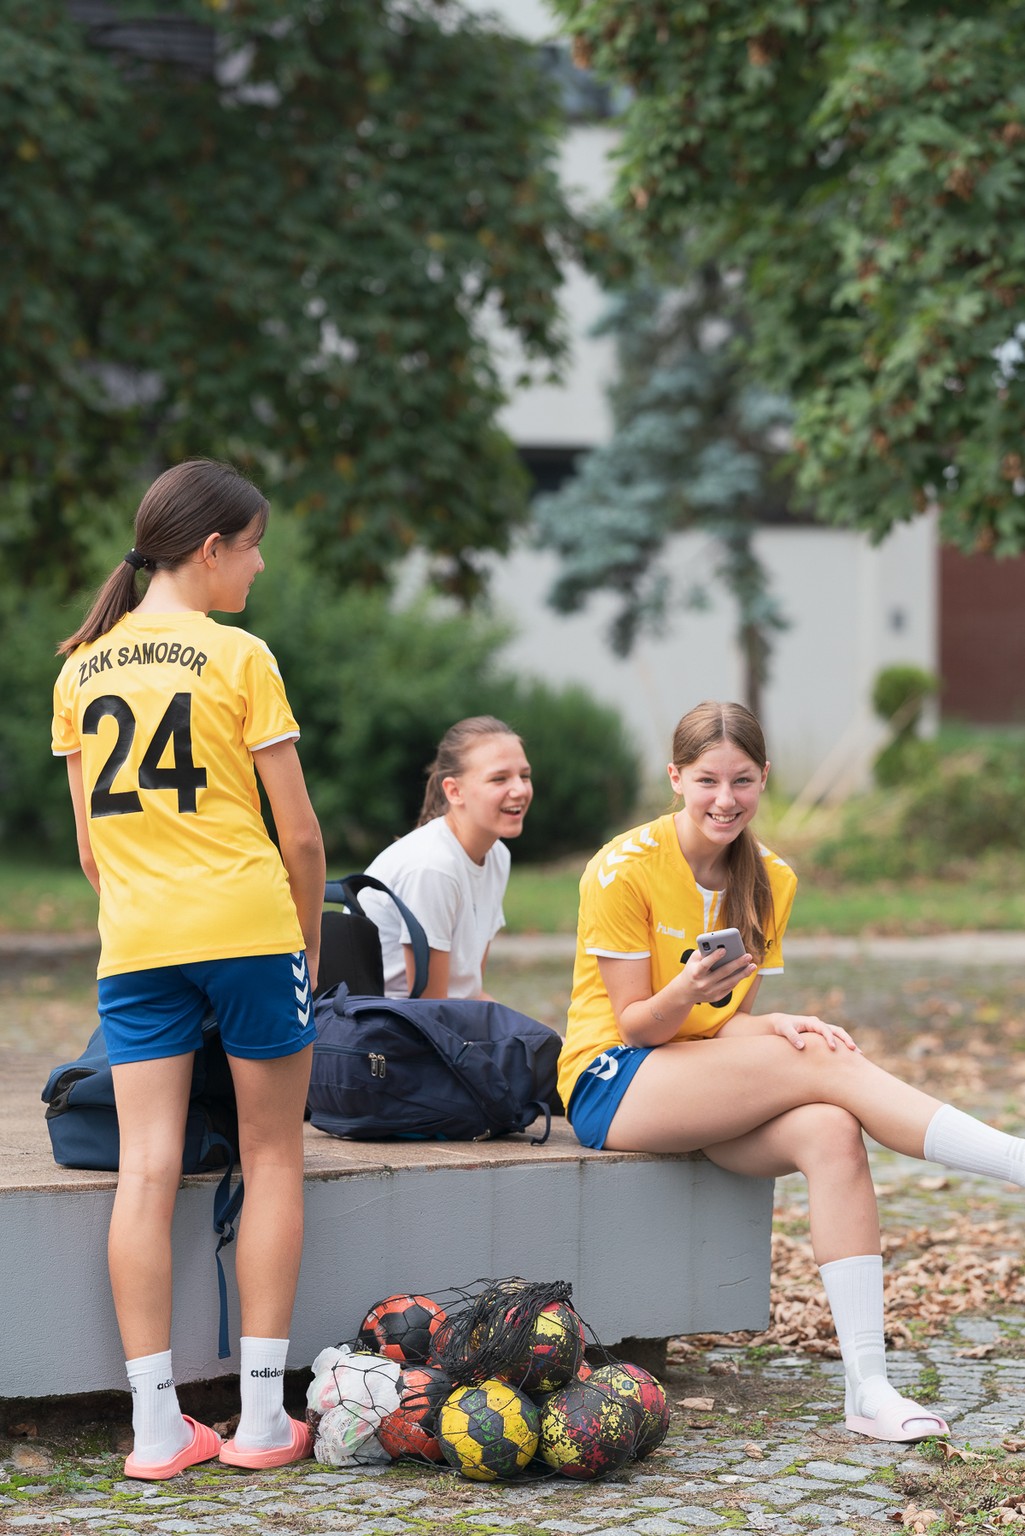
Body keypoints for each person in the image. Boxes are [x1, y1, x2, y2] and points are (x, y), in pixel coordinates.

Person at [560, 699, 1025, 1444]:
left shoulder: (771, 878)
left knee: (831, 1127)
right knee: (819, 1061)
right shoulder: (621, 868)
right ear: (675, 777)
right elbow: (637, 1022)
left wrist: (767, 1023)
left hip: (696, 1077)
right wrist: (691, 991)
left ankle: (867, 1389)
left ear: (763, 778)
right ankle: (1014, 1162)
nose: (724, 799)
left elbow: (724, 1022)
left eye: (741, 781)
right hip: (615, 1079)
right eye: (707, 780)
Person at [52, 460, 326, 1479]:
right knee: (274, 1157)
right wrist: (303, 939)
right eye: (252, 546)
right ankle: (261, 1421)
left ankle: (157, 1431)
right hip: (250, 932)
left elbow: (89, 851)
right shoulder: (238, 657)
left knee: (146, 1170)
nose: (258, 565)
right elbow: (299, 838)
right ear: (210, 550)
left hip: (137, 947)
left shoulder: (79, 668)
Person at [360, 716, 532, 999]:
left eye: (524, 776)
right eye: (499, 778)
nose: (520, 790)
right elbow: (432, 1011)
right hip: (397, 1035)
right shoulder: (433, 867)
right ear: (454, 791)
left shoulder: (497, 855)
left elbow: (470, 993)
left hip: (449, 1024)